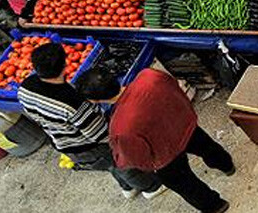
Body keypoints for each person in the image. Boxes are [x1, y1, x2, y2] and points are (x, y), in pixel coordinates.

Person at [78, 67, 235, 213]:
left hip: (166, 156)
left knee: (185, 184)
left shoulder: (119, 127)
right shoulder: (150, 76)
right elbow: (176, 90)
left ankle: (215, 206)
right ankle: (227, 166)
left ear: (95, 100)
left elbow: (138, 158)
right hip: (184, 126)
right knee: (207, 147)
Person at [17, 43, 164, 199]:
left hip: (63, 143)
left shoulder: (26, 87)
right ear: (64, 64)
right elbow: (99, 135)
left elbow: (33, 113)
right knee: (123, 164)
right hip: (88, 147)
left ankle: (127, 188)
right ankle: (150, 188)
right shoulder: (73, 103)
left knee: (111, 166)